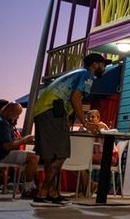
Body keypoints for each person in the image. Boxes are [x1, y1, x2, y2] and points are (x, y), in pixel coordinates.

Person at [32, 53, 109, 206]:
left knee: (51, 156)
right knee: (61, 154)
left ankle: (52, 193)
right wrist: (85, 123)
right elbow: (75, 98)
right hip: (53, 111)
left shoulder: (77, 73)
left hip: (43, 110)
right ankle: (43, 191)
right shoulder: (87, 75)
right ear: (95, 64)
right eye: (102, 64)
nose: (104, 67)